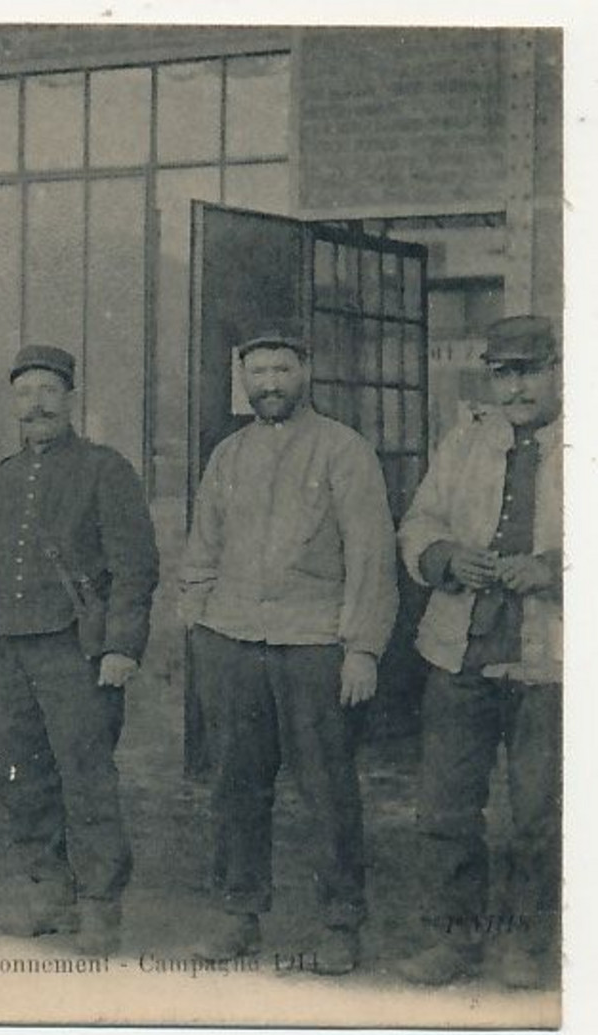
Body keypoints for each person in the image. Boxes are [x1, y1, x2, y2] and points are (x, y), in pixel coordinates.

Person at [180, 326, 397, 976]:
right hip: (234, 643)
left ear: (305, 372)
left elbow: (370, 554)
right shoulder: (227, 456)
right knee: (235, 786)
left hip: (313, 645)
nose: (268, 384)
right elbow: (201, 550)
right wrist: (199, 627)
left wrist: (360, 648)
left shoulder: (343, 450)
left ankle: (339, 923)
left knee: (327, 789)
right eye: (257, 373)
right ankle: (237, 913)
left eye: (280, 370)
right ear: (241, 380)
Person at [0, 345, 159, 954]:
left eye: (48, 391)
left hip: (77, 653)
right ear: (14, 404)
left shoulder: (105, 469)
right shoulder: (2, 478)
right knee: (22, 777)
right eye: (25, 393)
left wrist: (122, 645)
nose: (36, 404)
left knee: (87, 777)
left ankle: (100, 903)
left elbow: (135, 568)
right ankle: (50, 891)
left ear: (70, 399)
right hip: (8, 652)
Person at [394, 315, 562, 990]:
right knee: (444, 806)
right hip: (458, 650)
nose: (516, 387)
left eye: (529, 370)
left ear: (557, 370)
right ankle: (452, 940)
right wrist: (442, 557)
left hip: (550, 660)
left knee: (538, 810)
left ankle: (524, 942)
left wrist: (555, 567)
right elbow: (419, 520)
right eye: (503, 373)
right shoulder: (464, 442)